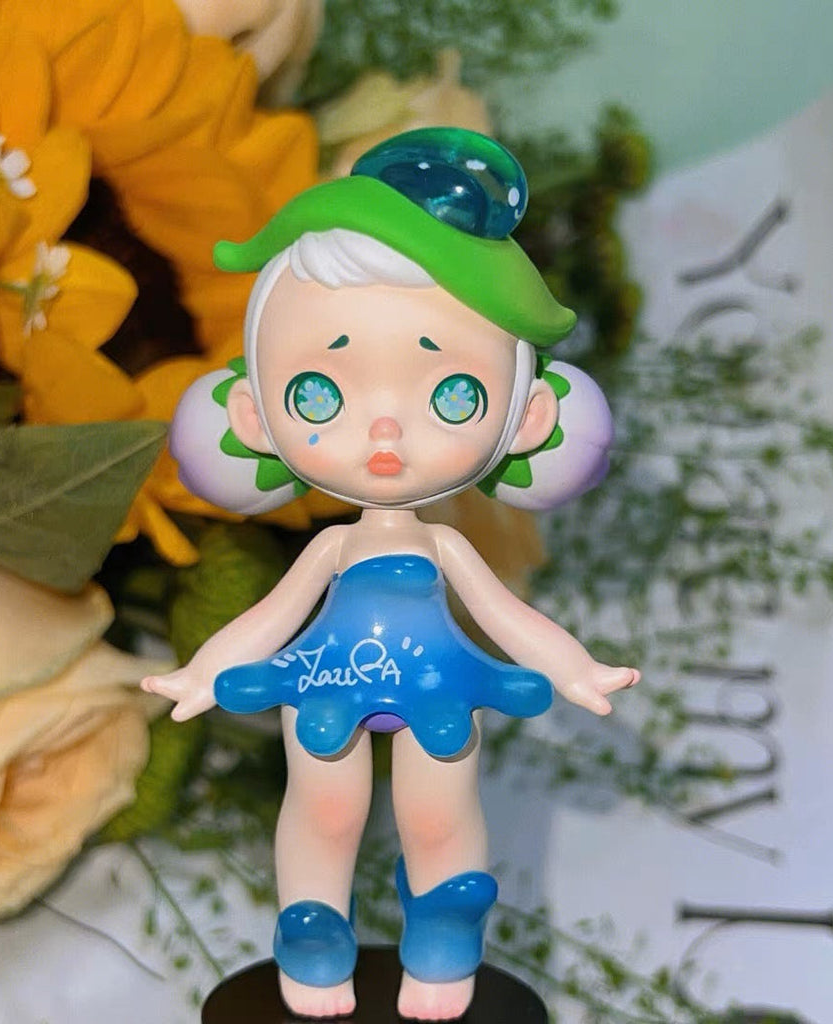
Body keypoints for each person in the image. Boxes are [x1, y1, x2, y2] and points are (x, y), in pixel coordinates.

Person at [142, 128, 639, 1021]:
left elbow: (503, 614)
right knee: (324, 811)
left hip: (440, 686)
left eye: (452, 395)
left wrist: (572, 666)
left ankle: (445, 937)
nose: (383, 432)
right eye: (319, 394)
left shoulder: (445, 549)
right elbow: (275, 614)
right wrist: (206, 670)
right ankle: (311, 932)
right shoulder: (331, 551)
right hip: (323, 683)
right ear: (251, 414)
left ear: (528, 417)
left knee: (439, 817)